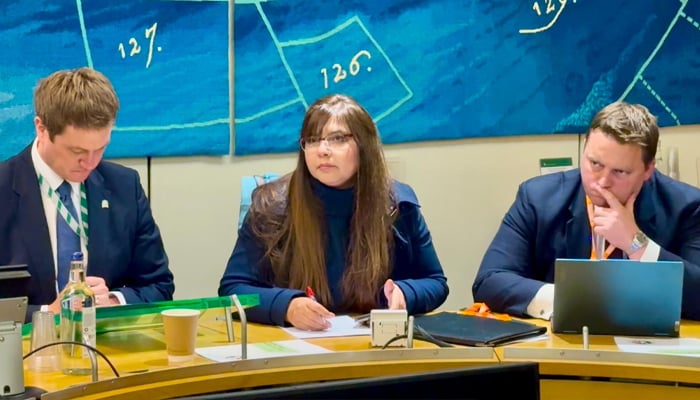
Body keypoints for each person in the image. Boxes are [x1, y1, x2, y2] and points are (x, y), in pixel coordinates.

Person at [218, 94, 448, 330]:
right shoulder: (271, 206)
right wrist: (286, 306)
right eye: (313, 139)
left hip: (374, 345)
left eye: (337, 139)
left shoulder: (397, 204)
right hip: (296, 349)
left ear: (364, 145)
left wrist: (406, 293)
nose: (322, 150)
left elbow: (435, 282)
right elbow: (232, 290)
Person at [472, 101, 700, 321]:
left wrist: (636, 244)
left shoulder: (686, 207)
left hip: (650, 352)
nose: (602, 182)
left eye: (619, 172)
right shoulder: (538, 198)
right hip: (560, 349)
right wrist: (572, 301)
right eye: (595, 164)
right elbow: (489, 281)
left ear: (648, 169)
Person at [0, 67, 175, 322]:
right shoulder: (4, 188)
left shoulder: (124, 187)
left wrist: (115, 301)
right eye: (76, 151)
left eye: (101, 148)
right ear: (41, 128)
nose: (90, 163)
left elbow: (159, 285)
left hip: (108, 352)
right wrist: (48, 314)